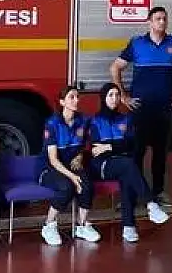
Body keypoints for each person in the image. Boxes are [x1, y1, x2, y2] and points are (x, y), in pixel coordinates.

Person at [110, 6, 172, 207]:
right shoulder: (137, 44)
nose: (162, 22)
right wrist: (123, 95)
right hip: (140, 109)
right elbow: (115, 67)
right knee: (136, 152)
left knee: (160, 153)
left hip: (164, 109)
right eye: (158, 19)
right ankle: (134, 194)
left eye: (165, 19)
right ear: (149, 22)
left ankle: (158, 192)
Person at [89, 82, 170, 242]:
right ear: (103, 98)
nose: (114, 99)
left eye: (117, 95)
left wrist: (110, 146)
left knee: (127, 172)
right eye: (110, 95)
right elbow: (97, 149)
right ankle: (151, 204)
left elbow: (133, 144)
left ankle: (129, 226)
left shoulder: (126, 120)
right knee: (128, 165)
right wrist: (117, 147)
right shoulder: (94, 122)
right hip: (101, 166)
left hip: (121, 163)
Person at [37, 86, 101, 246]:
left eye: (77, 96)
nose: (76, 100)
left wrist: (80, 156)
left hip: (73, 165)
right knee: (67, 187)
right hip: (51, 168)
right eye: (72, 97)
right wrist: (72, 177)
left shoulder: (83, 120)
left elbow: (87, 144)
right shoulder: (52, 123)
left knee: (86, 186)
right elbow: (53, 160)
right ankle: (48, 225)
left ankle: (81, 225)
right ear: (62, 102)